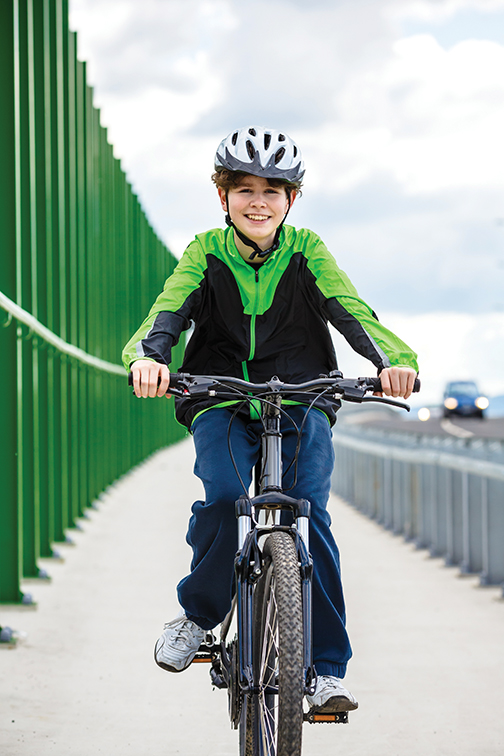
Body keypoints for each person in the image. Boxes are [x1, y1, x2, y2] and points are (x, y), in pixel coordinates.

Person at [122, 126, 418, 715]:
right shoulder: (206, 251)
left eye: (274, 191)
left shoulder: (307, 249)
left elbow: (349, 308)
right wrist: (149, 358)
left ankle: (327, 671)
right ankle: (200, 619)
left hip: (304, 392)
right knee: (227, 497)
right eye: (245, 189)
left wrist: (393, 360)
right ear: (223, 196)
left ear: (292, 200)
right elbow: (169, 310)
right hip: (221, 392)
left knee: (310, 517)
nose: (259, 202)